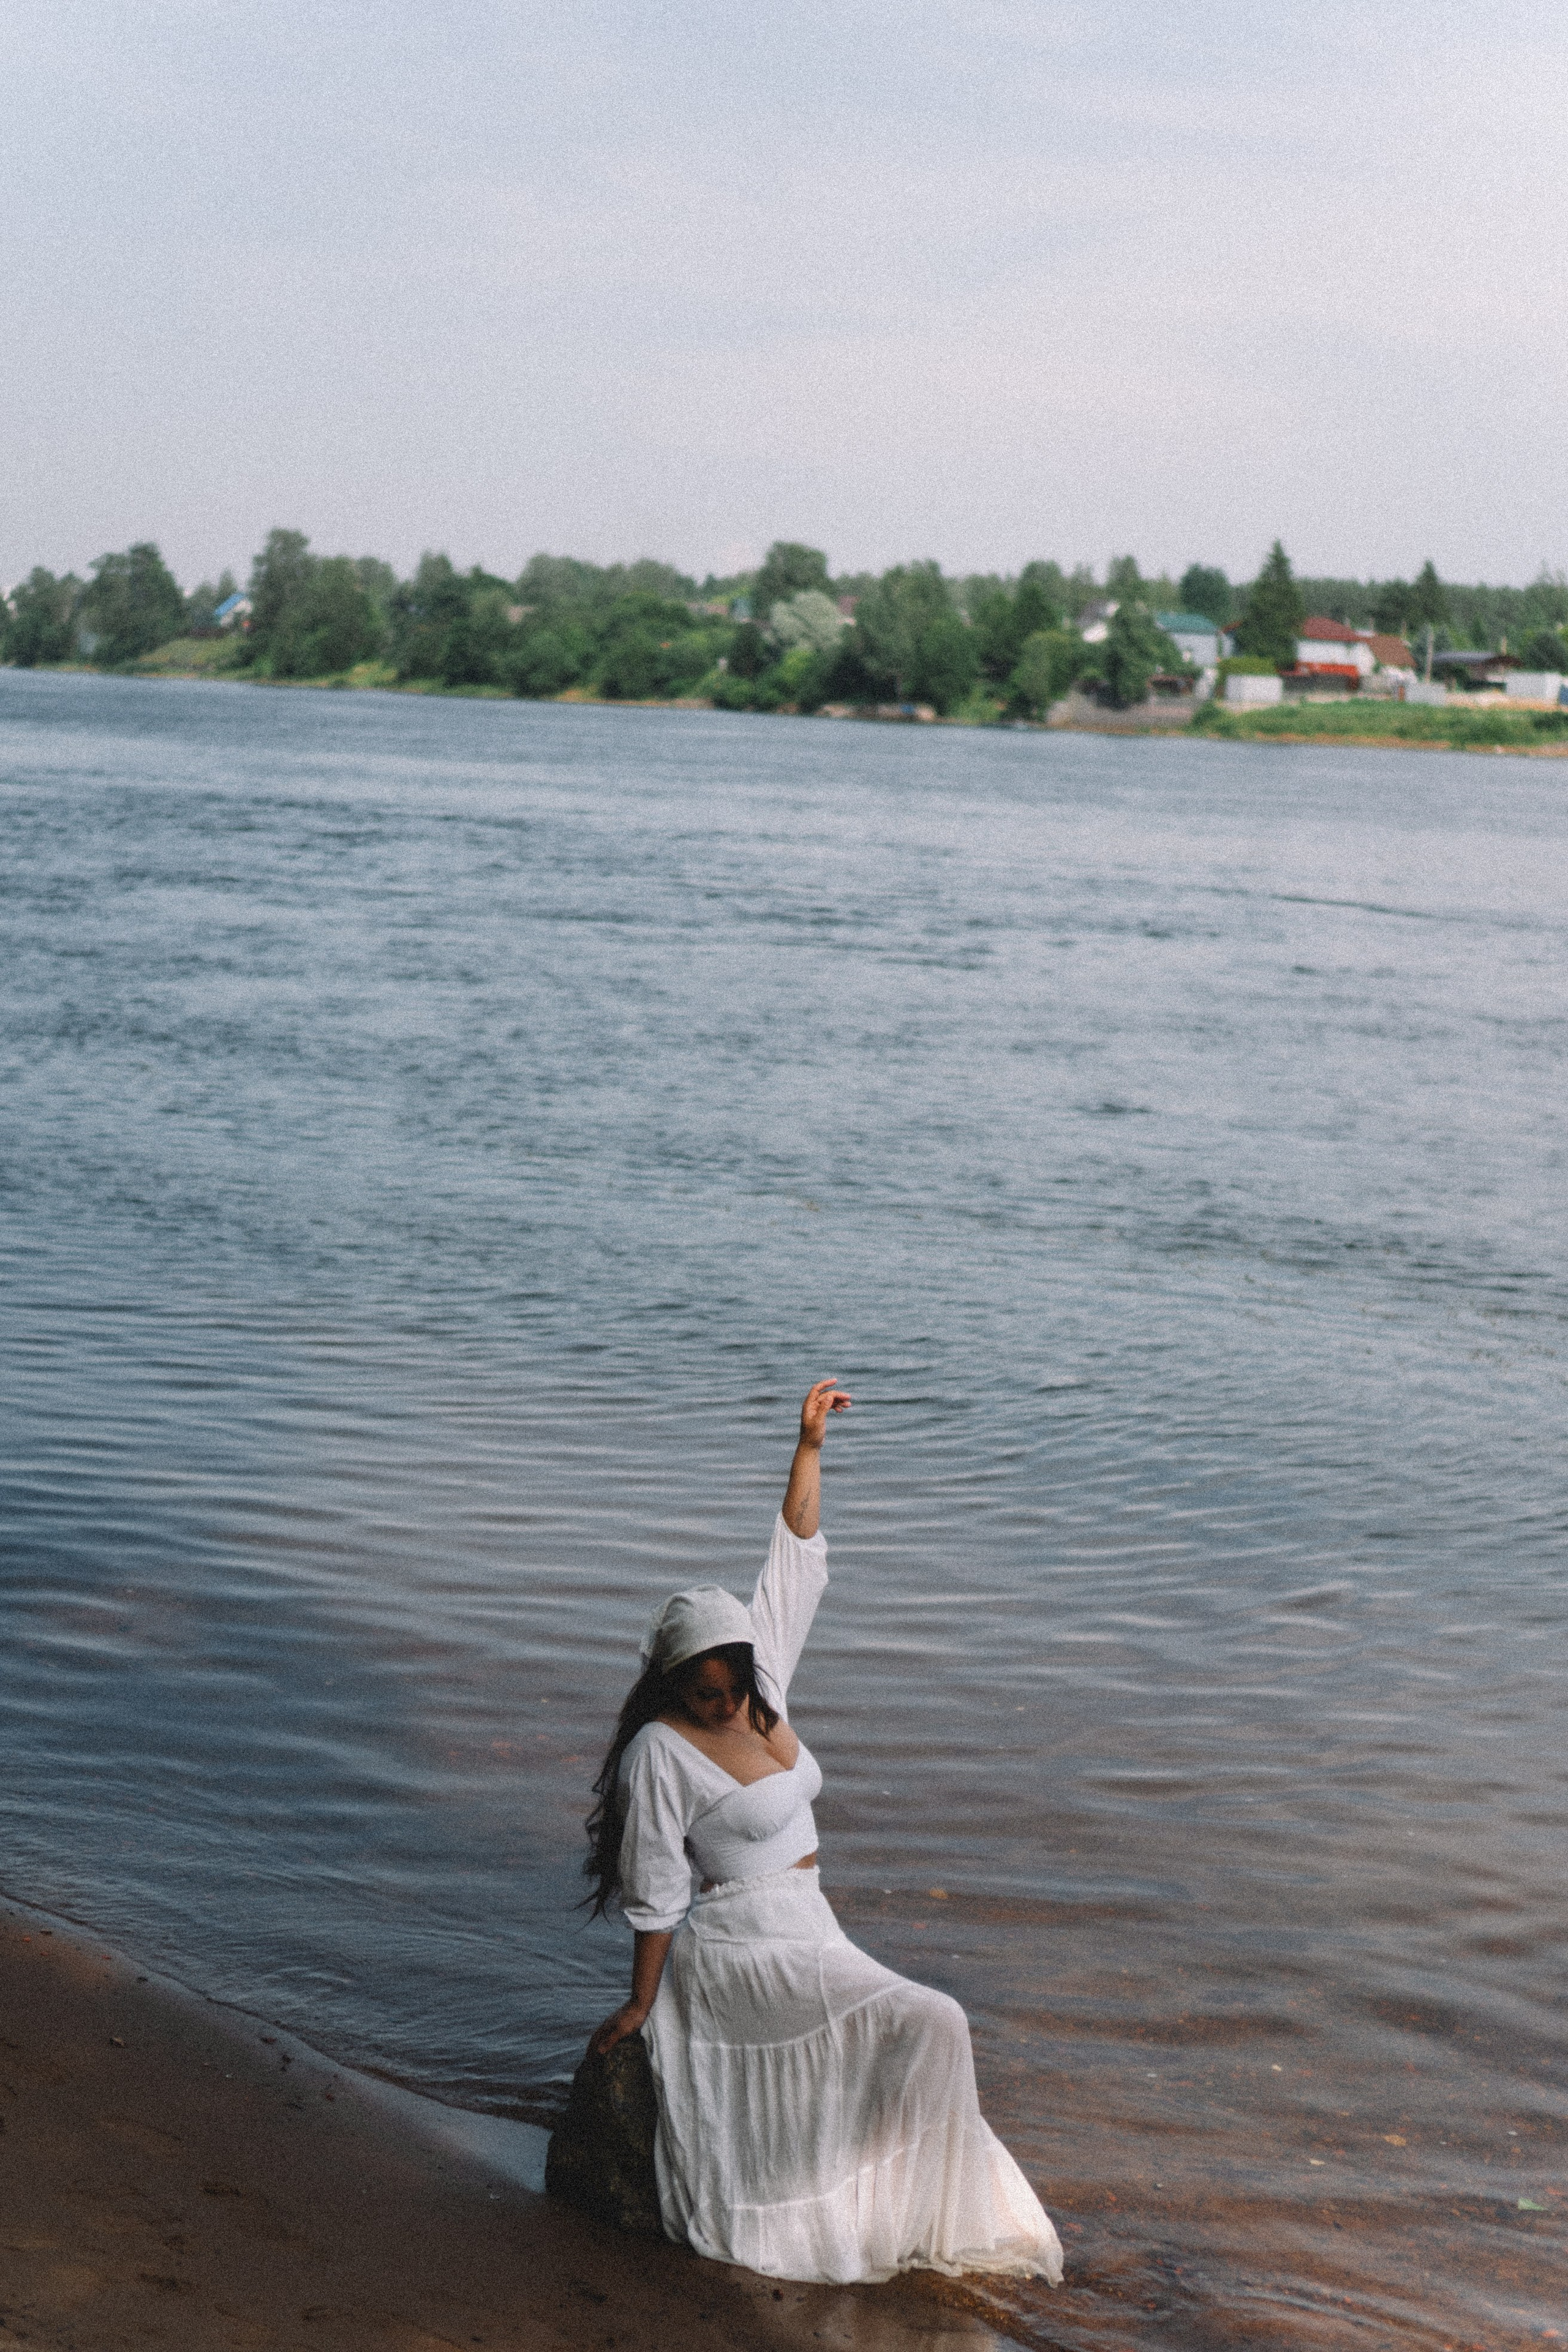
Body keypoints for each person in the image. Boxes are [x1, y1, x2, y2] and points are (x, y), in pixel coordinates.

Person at [582, 1379, 1063, 2288]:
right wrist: (645, 2006)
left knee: (924, 2028)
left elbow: (795, 1559)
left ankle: (906, 2205)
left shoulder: (766, 1686)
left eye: (733, 1688)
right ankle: (871, 2217)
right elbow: (657, 1890)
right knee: (936, 2016)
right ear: (672, 1685)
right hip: (744, 1947)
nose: (724, 1706)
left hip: (811, 1920)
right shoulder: (660, 1750)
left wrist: (809, 1446)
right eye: (705, 1694)